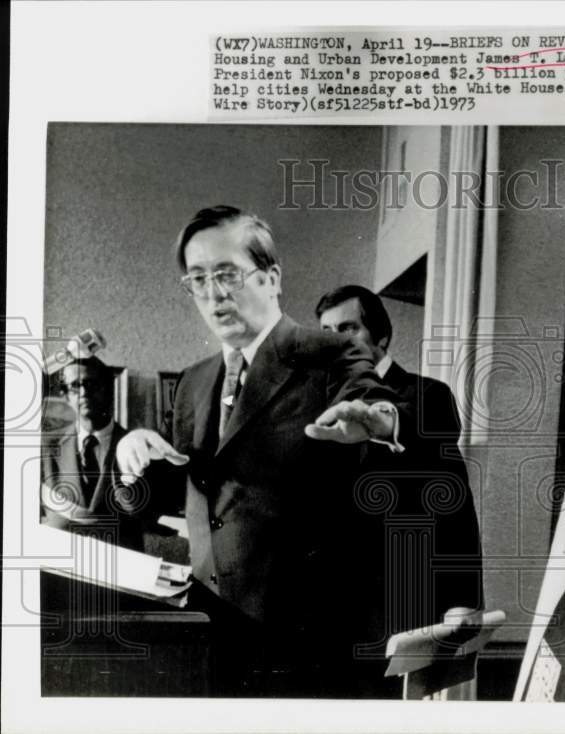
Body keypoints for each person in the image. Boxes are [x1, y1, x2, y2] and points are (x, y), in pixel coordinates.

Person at [113, 206, 411, 697]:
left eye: (227, 274)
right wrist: (132, 462)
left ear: (271, 279)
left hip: (311, 650)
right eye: (198, 279)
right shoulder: (193, 382)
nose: (213, 294)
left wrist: (379, 419)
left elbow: (377, 400)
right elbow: (173, 492)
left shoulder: (329, 353)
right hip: (212, 638)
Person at [315, 285, 483, 656]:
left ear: (382, 337)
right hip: (328, 610)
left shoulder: (428, 396)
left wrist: (464, 598)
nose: (335, 342)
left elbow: (455, 501)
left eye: (348, 328)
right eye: (326, 333)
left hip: (402, 606)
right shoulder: (317, 407)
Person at [41, 356, 146, 551]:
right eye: (75, 386)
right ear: (66, 396)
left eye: (91, 384)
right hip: (61, 563)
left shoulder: (138, 447)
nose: (83, 392)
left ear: (108, 388)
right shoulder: (46, 448)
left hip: (120, 564)